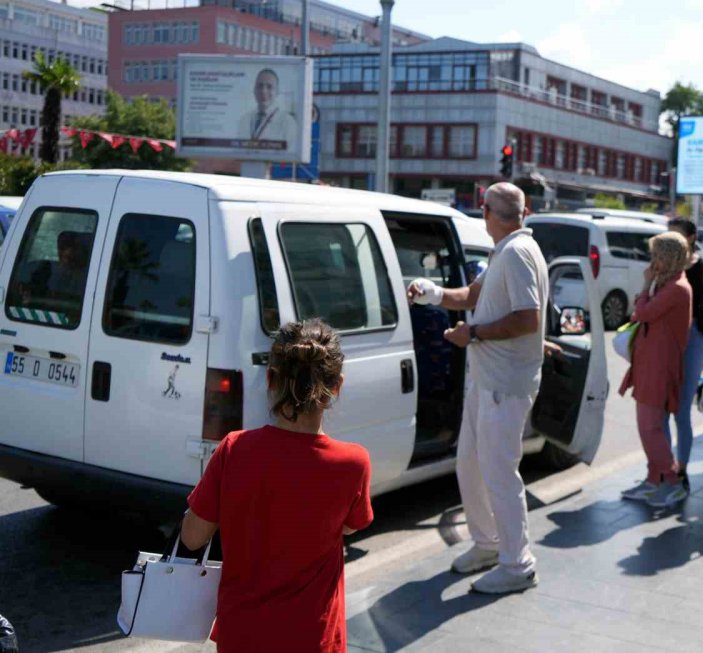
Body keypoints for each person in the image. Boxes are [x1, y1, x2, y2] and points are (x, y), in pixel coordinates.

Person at [181, 319, 373, 652]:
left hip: (242, 636)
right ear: (337, 386)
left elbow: (192, 537)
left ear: (271, 380)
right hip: (314, 639)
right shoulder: (353, 463)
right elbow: (350, 527)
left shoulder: (234, 449)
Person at [407, 182, 547, 594]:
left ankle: (517, 562)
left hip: (505, 384)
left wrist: (475, 333)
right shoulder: (506, 250)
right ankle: (487, 544)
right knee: (470, 464)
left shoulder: (518, 253)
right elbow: (471, 294)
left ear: (487, 212)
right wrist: (432, 294)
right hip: (487, 381)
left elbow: (528, 318)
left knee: (500, 473)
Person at [618, 232, 693, 507]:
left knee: (650, 427)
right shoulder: (669, 284)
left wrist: (646, 284)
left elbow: (642, 314)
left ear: (668, 257)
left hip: (659, 367)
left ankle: (673, 482)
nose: (652, 261)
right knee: (647, 425)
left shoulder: (676, 288)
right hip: (651, 363)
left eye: (657, 255)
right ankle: (653, 479)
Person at [665, 217, 703, 490]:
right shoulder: (664, 263)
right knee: (661, 408)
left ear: (691, 237)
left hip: (694, 339)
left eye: (676, 235)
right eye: (668, 235)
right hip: (664, 342)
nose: (671, 240)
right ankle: (663, 466)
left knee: (681, 409)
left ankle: (681, 468)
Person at [238, 68, 299, 146]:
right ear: (254, 90)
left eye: (269, 87)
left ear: (277, 92)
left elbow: (291, 153)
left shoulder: (288, 122)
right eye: (260, 86)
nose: (263, 91)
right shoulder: (244, 119)